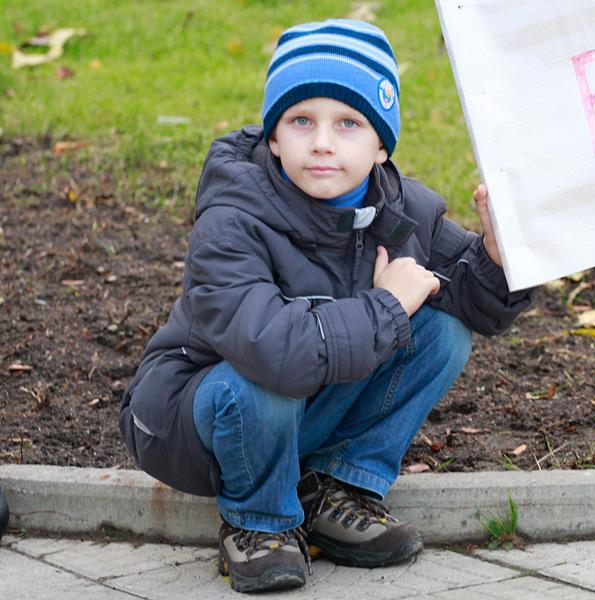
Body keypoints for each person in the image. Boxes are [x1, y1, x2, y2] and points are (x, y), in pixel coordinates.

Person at [119, 18, 534, 593]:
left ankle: (333, 487)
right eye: (300, 121)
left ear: (381, 144)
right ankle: (259, 520)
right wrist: (386, 303)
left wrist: (499, 256)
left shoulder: (399, 207)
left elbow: (477, 301)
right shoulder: (234, 217)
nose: (321, 142)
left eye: (348, 123)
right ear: (273, 136)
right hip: (200, 418)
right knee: (264, 384)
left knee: (443, 330)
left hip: (302, 402)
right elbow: (274, 354)